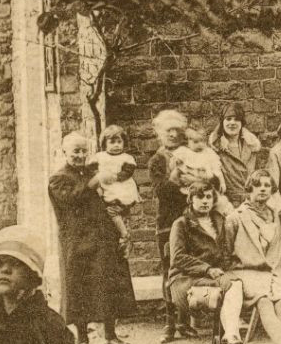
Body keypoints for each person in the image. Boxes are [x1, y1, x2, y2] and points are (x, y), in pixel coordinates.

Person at [49, 131, 137, 344]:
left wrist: (121, 211)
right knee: (79, 287)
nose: (80, 155)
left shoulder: (92, 170)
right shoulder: (58, 178)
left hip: (102, 236)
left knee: (107, 283)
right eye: (75, 151)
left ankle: (110, 335)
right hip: (76, 241)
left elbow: (111, 194)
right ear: (64, 152)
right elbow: (71, 200)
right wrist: (93, 183)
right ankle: (82, 339)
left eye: (83, 151)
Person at [219, 168, 281, 344]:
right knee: (264, 301)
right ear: (249, 189)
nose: (263, 189)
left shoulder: (276, 216)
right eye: (258, 185)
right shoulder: (235, 218)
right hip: (246, 270)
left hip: (273, 269)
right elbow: (224, 251)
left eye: (267, 186)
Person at [164, 181, 228, 342]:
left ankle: (227, 333)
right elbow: (178, 257)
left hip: (214, 274)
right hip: (186, 278)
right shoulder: (182, 224)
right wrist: (207, 269)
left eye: (208, 197)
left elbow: (225, 249)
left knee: (237, 282)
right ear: (191, 199)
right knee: (230, 286)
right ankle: (225, 335)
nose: (205, 201)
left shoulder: (219, 220)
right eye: (199, 197)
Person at [147, 108, 190, 286]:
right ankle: (171, 311)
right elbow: (161, 191)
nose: (173, 134)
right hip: (168, 220)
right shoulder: (157, 160)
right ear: (159, 133)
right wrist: (175, 178)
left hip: (190, 218)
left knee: (191, 265)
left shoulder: (190, 154)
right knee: (170, 268)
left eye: (177, 131)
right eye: (168, 130)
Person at [91, 124, 141, 249]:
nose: (116, 145)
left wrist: (114, 177)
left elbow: (128, 172)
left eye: (119, 142)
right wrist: (98, 178)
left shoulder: (126, 158)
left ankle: (125, 234)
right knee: (112, 211)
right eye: (112, 142)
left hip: (121, 188)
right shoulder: (100, 156)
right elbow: (91, 168)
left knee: (113, 211)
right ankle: (123, 236)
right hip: (107, 187)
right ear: (104, 144)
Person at [211, 102, 265, 207]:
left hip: (252, 202)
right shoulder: (216, 148)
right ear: (222, 122)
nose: (232, 123)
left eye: (236, 119)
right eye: (228, 119)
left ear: (242, 123)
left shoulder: (251, 146)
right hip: (227, 204)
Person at [171, 122, 227, 195]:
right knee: (175, 173)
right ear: (188, 141)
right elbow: (174, 166)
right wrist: (176, 162)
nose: (200, 145)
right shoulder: (184, 152)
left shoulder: (209, 152)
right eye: (196, 142)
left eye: (202, 141)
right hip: (187, 179)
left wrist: (222, 183)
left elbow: (217, 170)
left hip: (205, 179)